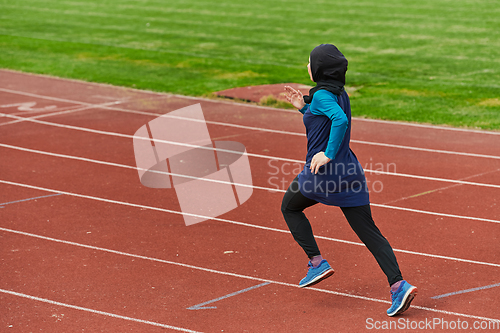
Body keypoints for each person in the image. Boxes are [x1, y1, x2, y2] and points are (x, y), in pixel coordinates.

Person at [282, 44, 417, 316]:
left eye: (308, 63)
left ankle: (317, 262)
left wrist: (327, 154)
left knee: (290, 207)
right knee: (370, 232)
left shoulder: (322, 97)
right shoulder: (338, 94)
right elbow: (326, 119)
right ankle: (398, 285)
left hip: (323, 176)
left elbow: (339, 121)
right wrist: (302, 107)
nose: (306, 67)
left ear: (318, 69)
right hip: (350, 175)